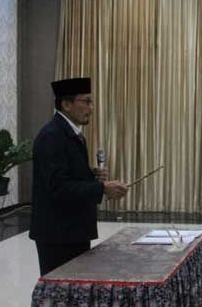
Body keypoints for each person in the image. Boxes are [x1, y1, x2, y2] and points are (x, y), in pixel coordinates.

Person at [29, 77, 129, 275]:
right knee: (61, 288)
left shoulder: (70, 133)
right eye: (86, 101)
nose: (91, 108)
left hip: (73, 229)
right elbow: (59, 187)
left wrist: (90, 174)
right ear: (66, 104)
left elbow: (68, 174)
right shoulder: (51, 136)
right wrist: (102, 188)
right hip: (58, 234)